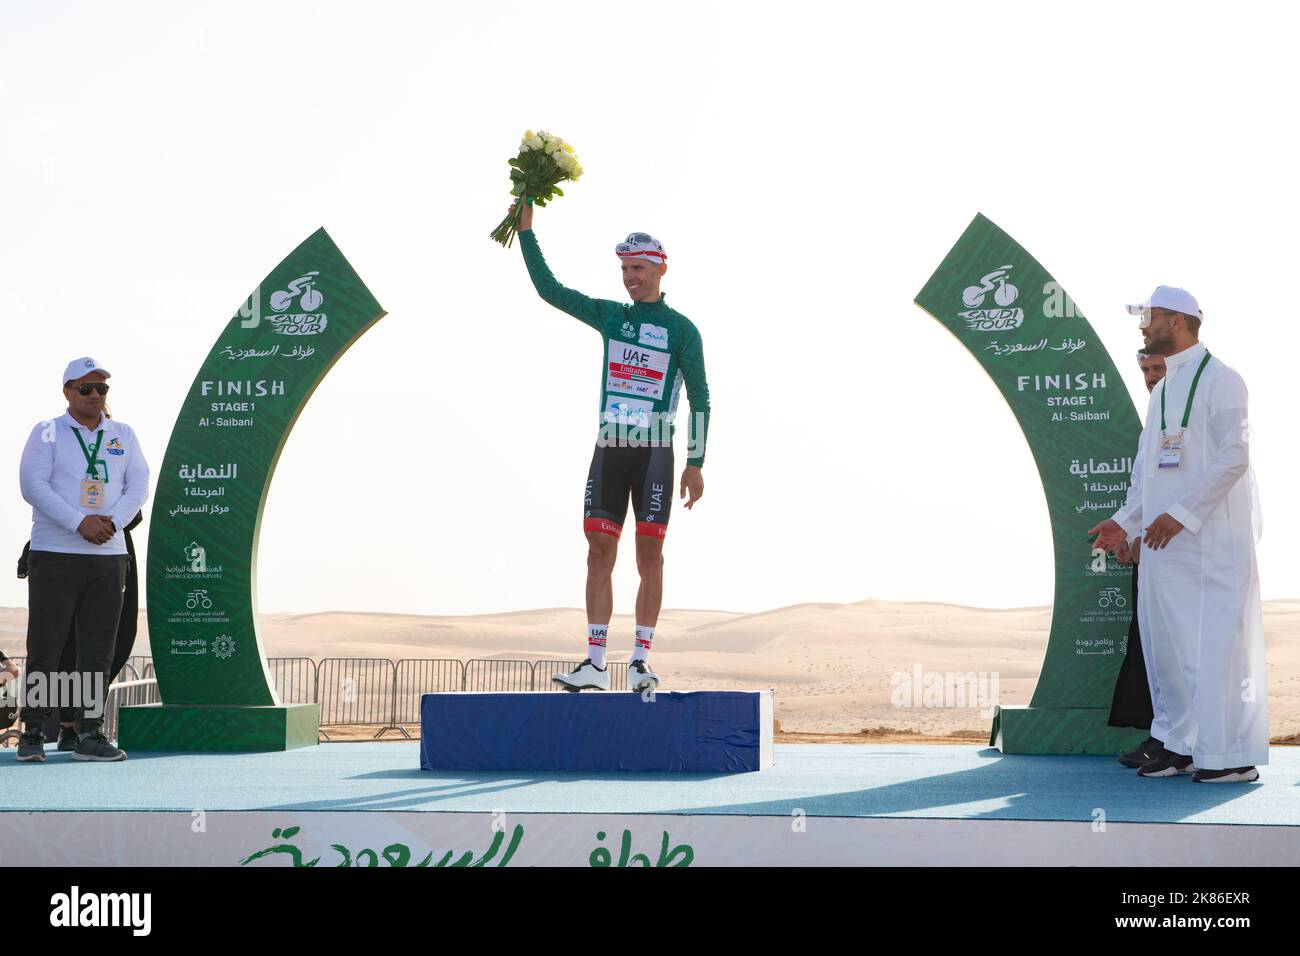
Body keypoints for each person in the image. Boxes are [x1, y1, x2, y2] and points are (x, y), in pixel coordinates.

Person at [513, 198, 711, 693]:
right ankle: (595, 663)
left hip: (654, 455)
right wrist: (527, 233)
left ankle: (641, 659)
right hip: (610, 446)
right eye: (624, 269)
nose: (630, 278)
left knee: (650, 557)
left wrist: (696, 461)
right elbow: (550, 290)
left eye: (638, 269)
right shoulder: (610, 317)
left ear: (661, 269)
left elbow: (702, 397)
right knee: (598, 552)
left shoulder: (682, 330)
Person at [1090, 288, 1267, 783]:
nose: (1142, 327)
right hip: (1164, 550)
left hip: (1211, 549)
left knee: (1211, 653)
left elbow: (1235, 457)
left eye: (1149, 319)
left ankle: (1229, 757)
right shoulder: (1164, 389)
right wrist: (1122, 523)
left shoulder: (1224, 380)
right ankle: (1180, 746)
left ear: (1177, 321)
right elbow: (1151, 476)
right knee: (1167, 652)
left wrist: (1181, 514)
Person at [16, 358, 150, 762]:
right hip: (56, 552)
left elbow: (138, 483)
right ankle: (34, 732)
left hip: (108, 555)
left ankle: (90, 732)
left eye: (102, 388)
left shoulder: (123, 434)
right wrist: (79, 522)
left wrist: (113, 522)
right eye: (86, 388)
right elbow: (32, 485)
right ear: (67, 392)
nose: (95, 395)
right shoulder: (48, 432)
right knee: (47, 646)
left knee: (97, 650)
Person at [1110, 351, 1166, 765]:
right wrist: (1131, 533)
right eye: (1145, 371)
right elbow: (1141, 487)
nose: (1150, 378)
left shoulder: (1195, 413)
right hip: (1151, 552)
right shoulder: (1155, 419)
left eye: (1157, 370)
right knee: (1150, 647)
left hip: (1182, 554)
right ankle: (1162, 738)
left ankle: (1180, 743)